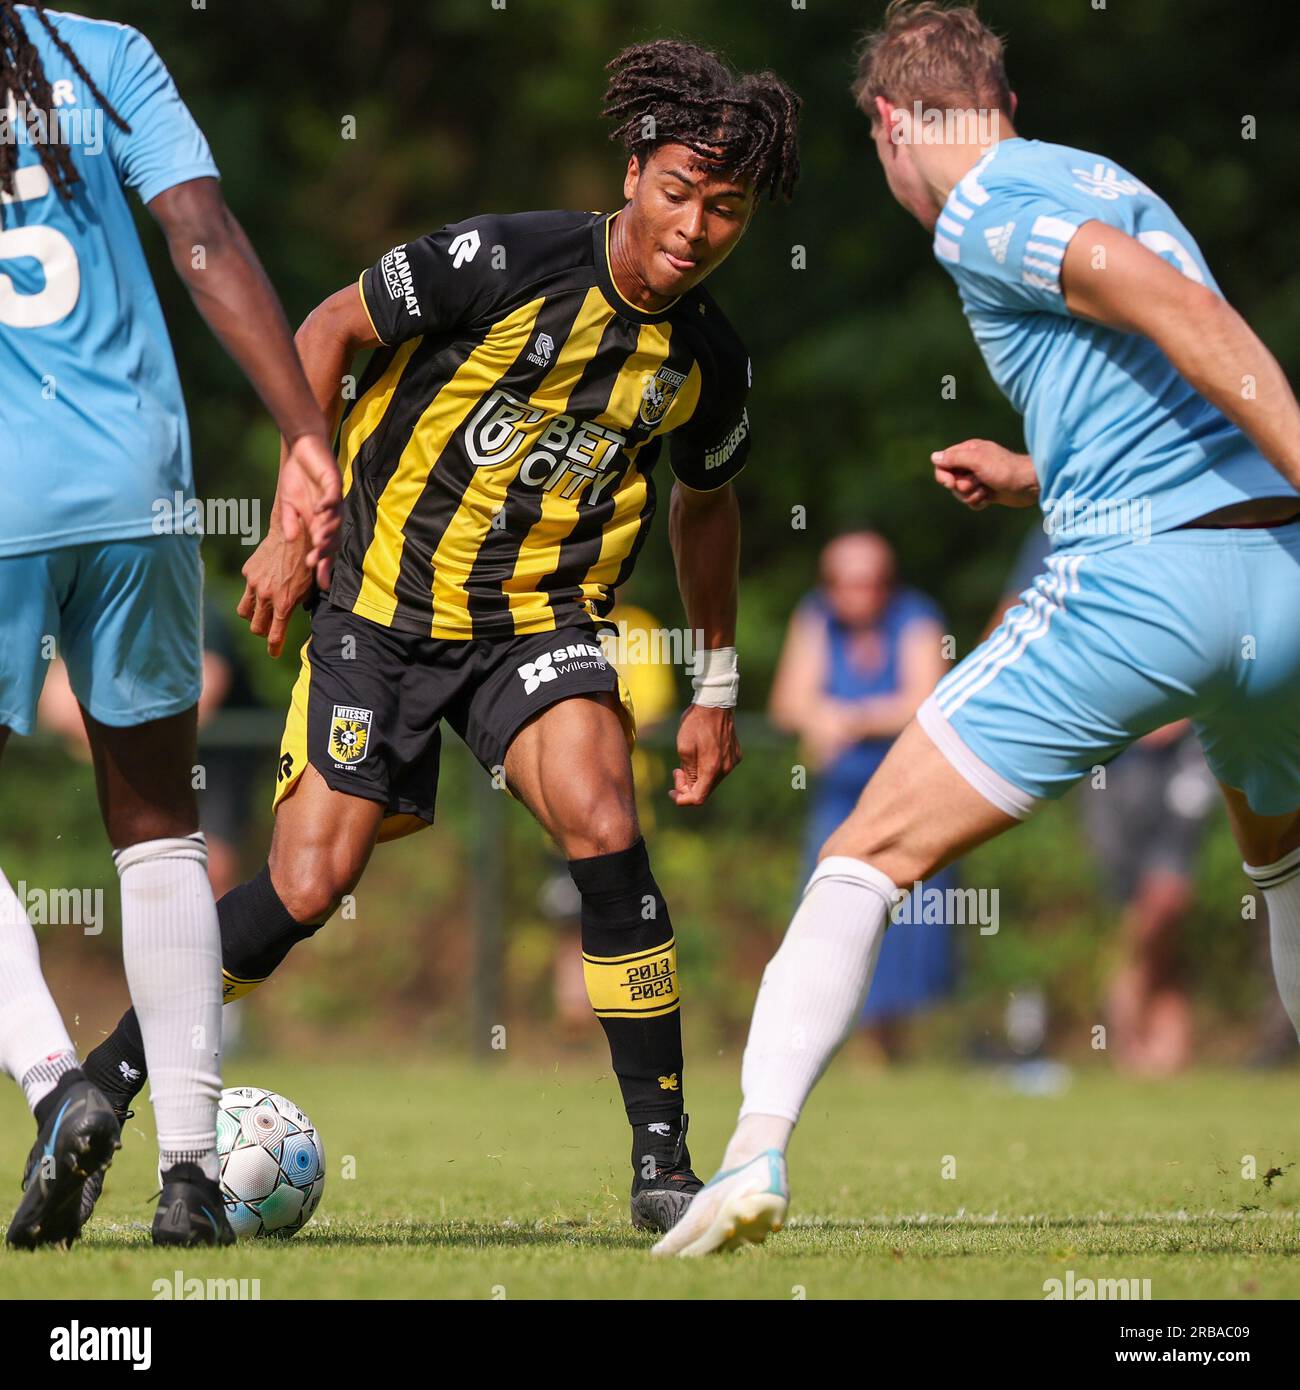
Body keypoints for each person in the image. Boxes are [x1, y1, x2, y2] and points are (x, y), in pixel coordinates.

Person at [84, 39, 802, 1235]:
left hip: (538, 623)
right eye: (677, 192)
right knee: (310, 880)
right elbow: (323, 328)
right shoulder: (504, 257)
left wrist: (716, 679)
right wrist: (289, 515)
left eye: (723, 210)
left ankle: (664, 1162)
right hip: (377, 608)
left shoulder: (706, 361)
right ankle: (108, 1084)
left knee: (603, 815)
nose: (693, 227)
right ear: (633, 170)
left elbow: (706, 501)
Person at [656, 0, 1300, 1256]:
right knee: (1278, 863)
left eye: (877, 148)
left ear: (898, 122)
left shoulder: (982, 204)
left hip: (1144, 587)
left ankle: (747, 1159)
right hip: (1276, 582)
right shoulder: (1104, 178)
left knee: (860, 856)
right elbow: (1163, 397)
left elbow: (1177, 313)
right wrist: (1038, 474)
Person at [0, 3, 340, 1248]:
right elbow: (201, 232)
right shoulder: (106, 50)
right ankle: (190, 1176)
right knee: (157, 829)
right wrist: (306, 432)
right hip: (137, 480)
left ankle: (55, 1085)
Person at [769, 531, 952, 1057]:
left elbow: (928, 698)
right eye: (844, 582)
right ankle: (840, 1053)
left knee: (908, 935)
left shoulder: (916, 616)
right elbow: (788, 703)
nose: (858, 593)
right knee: (829, 925)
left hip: (913, 800)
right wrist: (821, 717)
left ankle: (895, 1056)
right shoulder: (815, 617)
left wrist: (849, 719)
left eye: (871, 581)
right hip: (839, 802)